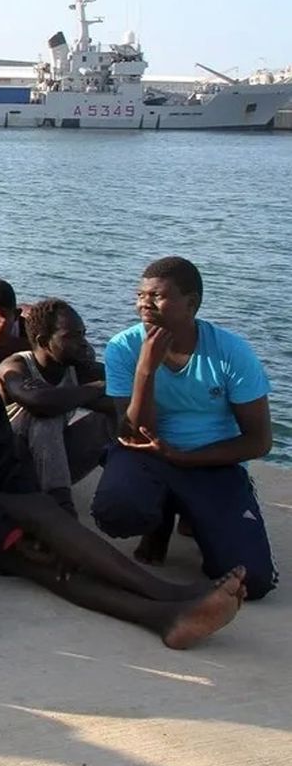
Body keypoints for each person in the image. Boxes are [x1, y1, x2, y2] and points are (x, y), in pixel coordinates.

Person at [0, 306, 246, 649]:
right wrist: (12, 532)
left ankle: (164, 618)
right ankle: (165, 592)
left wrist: (32, 535)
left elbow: (6, 468)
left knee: (44, 561)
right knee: (37, 519)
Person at [90, 257, 276, 600]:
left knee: (253, 581)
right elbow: (132, 433)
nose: (144, 304)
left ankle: (196, 513)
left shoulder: (231, 353)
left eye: (157, 296)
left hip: (210, 462)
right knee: (116, 511)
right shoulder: (123, 347)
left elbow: (259, 441)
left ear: (191, 303)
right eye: (140, 295)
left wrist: (185, 458)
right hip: (146, 454)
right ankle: (160, 518)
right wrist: (146, 370)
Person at [0, 298, 116, 515]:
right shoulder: (15, 366)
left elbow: (123, 397)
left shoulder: (77, 368)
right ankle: (61, 504)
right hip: (10, 463)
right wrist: (98, 387)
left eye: (83, 334)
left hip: (51, 460)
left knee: (111, 415)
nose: (83, 343)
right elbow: (40, 402)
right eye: (72, 336)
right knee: (45, 416)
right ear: (43, 341)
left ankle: (121, 489)